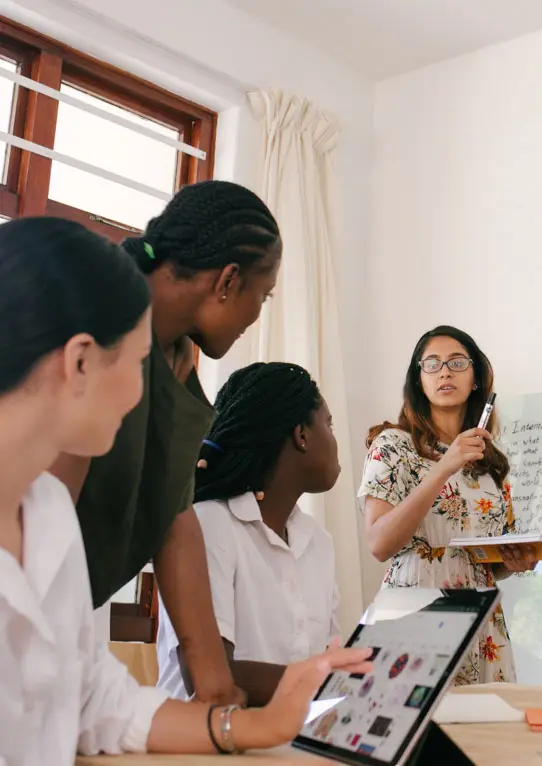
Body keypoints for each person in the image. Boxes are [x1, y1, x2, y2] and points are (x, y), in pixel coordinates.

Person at [0, 218, 372, 764]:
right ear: (80, 362)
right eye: (136, 365)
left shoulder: (50, 513)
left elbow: (101, 704)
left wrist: (258, 724)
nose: (146, 395)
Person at [49, 180, 282, 705]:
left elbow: (176, 525)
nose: (256, 316)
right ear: (227, 280)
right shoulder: (99, 321)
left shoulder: (176, 360)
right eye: (261, 297)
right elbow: (45, 517)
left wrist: (217, 691)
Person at [359, 325, 537, 685]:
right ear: (418, 380)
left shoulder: (491, 463)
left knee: (482, 736)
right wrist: (444, 467)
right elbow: (379, 544)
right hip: (416, 608)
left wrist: (513, 563)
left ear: (475, 379)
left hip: (481, 618)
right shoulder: (392, 445)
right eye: (432, 364)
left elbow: (482, 559)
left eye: (457, 362)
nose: (444, 371)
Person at [158, 362, 342, 706]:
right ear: (301, 434)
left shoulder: (319, 542)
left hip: (288, 739)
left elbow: (328, 659)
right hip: (199, 747)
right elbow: (207, 676)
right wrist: (331, 677)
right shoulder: (209, 524)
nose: (334, 440)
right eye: (329, 424)